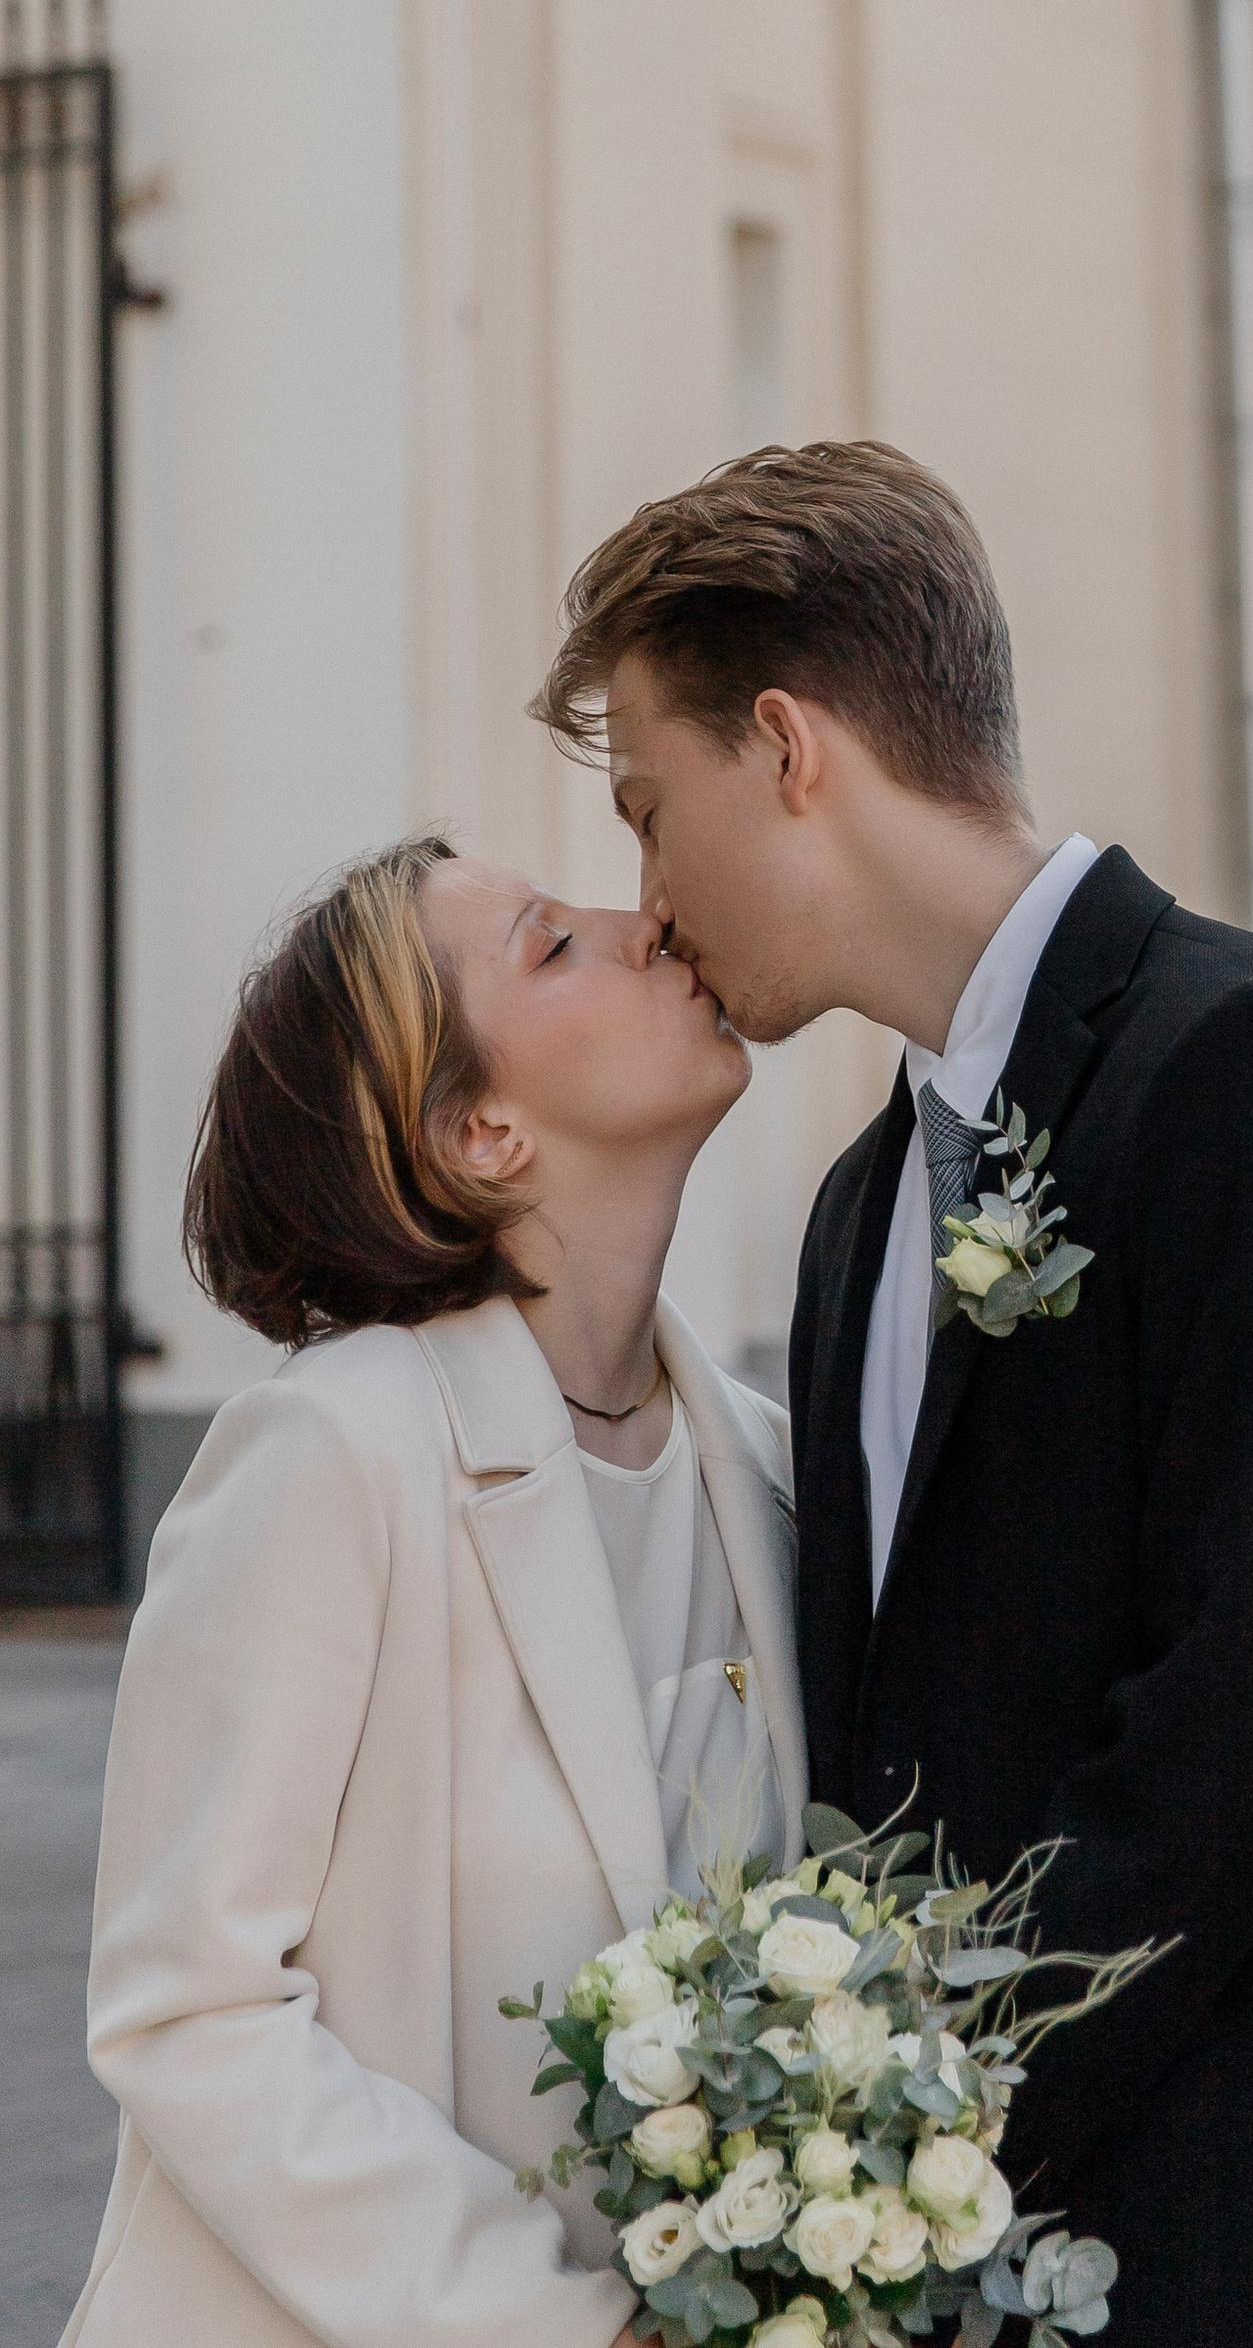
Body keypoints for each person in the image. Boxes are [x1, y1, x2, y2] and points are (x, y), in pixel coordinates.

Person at [539, 437, 1253, 2348]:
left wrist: (893, 2135)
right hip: (1041, 2261)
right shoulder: (859, 1211)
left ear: (793, 749)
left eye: (654, 804)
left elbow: (1247, 1723)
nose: (648, 896)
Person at [63, 837, 800, 2348]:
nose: (644, 914)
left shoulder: (767, 1470)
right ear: (481, 1131)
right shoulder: (333, 1449)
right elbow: (189, 2007)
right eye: (554, 943)